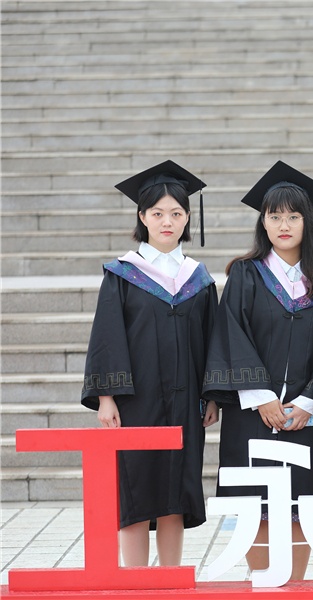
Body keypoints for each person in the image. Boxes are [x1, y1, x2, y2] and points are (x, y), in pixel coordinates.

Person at [202, 161, 313, 581]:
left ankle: (294, 585)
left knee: (300, 503)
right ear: (263, 222)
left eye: (293, 216)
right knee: (253, 502)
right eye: (274, 216)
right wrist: (260, 397)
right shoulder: (246, 273)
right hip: (252, 412)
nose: (284, 225)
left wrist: (310, 401)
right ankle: (261, 583)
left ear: (307, 222)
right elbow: (231, 335)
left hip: (303, 414)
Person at [81, 161, 218, 567]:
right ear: (142, 217)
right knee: (136, 489)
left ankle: (171, 580)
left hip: (186, 401)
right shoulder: (123, 274)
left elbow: (213, 341)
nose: (167, 222)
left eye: (176, 213)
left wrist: (212, 395)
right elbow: (107, 337)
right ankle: (135, 581)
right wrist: (107, 397)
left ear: (188, 217)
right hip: (135, 402)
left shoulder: (198, 279)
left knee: (176, 490)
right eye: (157, 213)